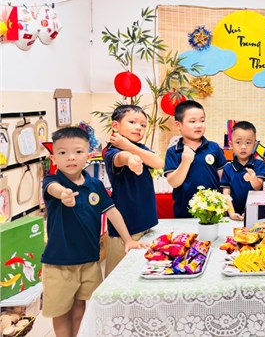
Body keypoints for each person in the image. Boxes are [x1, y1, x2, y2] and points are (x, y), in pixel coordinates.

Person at [41, 127, 148, 337]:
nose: (71, 157)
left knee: (80, 305)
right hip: (59, 262)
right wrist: (64, 194)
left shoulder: (95, 185)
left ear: (89, 155)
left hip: (89, 260)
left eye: (78, 151)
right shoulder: (52, 182)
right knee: (61, 311)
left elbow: (112, 211)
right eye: (62, 152)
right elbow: (54, 189)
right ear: (54, 158)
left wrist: (128, 239)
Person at [103, 105, 163, 275]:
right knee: (118, 274)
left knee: (140, 272)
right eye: (132, 122)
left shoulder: (139, 148)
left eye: (143, 125)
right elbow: (122, 158)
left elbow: (158, 163)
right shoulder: (111, 151)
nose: (139, 127)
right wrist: (131, 159)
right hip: (125, 230)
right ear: (115, 126)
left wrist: (130, 146)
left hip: (145, 224)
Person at [164, 100, 227, 218]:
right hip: (184, 212)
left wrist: (225, 205)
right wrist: (185, 162)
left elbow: (224, 180)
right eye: (192, 121)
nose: (199, 125)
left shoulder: (214, 148)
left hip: (213, 210)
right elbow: (174, 183)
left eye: (202, 120)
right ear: (178, 125)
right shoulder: (173, 151)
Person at [220, 121, 265, 220]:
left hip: (256, 216)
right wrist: (232, 214)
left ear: (254, 145)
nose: (243, 147)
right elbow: (226, 194)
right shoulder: (228, 168)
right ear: (231, 144)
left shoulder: (259, 164)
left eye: (248, 143)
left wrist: (253, 179)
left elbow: (258, 187)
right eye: (238, 142)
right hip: (234, 216)